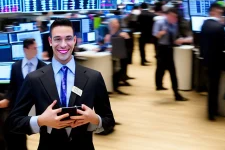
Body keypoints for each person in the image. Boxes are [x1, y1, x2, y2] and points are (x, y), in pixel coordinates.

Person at [5, 18, 115, 150]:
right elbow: (13, 122)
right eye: (57, 39)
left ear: (74, 40)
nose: (63, 45)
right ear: (50, 41)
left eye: (68, 38)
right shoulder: (34, 79)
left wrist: (95, 119)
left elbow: (109, 121)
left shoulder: (93, 77)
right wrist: (41, 120)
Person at [0, 38, 46, 150]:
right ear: (26, 49)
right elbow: (12, 88)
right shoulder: (16, 66)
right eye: (34, 48)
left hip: (38, 106)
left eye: (37, 48)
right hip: (20, 106)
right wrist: (8, 100)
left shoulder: (44, 67)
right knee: (15, 133)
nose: (36, 50)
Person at [152, 8, 190, 101]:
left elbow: (174, 37)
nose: (175, 18)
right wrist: (161, 33)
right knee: (161, 68)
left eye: (175, 17)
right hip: (161, 48)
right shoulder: (159, 22)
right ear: (168, 15)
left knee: (171, 71)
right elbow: (155, 35)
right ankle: (160, 85)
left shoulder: (174, 24)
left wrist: (179, 41)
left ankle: (175, 93)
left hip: (170, 49)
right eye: (173, 16)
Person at [105, 19, 130, 95]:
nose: (115, 25)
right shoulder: (108, 33)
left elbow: (128, 44)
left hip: (118, 55)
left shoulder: (121, 33)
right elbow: (105, 44)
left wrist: (127, 38)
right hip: (109, 54)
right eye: (113, 23)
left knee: (117, 70)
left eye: (117, 23)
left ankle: (115, 86)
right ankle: (112, 86)